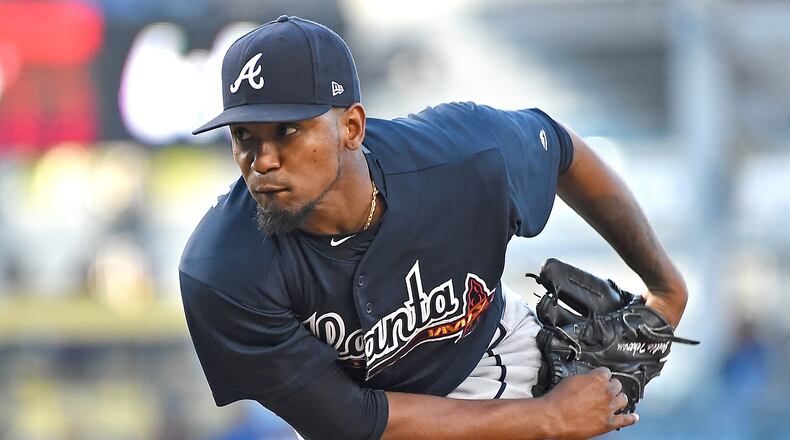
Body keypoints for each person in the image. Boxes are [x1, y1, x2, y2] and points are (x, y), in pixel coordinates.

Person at [180, 15, 688, 440]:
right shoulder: (223, 271)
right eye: (243, 135)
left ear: (352, 127)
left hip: (492, 352)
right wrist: (548, 419)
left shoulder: (463, 155)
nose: (261, 159)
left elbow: (559, 149)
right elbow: (351, 422)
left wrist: (668, 288)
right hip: (367, 415)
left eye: (286, 130)